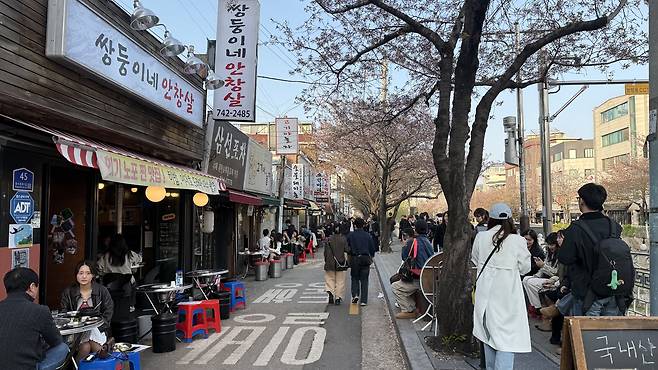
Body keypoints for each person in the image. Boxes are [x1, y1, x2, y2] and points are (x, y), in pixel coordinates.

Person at [472, 203, 531, 370]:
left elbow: (475, 260)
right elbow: (525, 268)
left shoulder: (481, 237)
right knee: (507, 340)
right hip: (508, 296)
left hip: (485, 295)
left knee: (488, 335)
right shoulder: (518, 241)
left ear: (490, 218)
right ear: (510, 220)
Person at [557, 183, 625, 316]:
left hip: (586, 294)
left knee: (586, 335)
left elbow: (565, 258)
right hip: (613, 290)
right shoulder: (614, 226)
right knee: (610, 333)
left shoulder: (575, 229)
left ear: (582, 201)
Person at [0, 267, 69, 370]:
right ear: (32, 287)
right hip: (27, 367)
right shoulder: (40, 310)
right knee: (63, 347)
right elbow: (55, 341)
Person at [61, 261, 113, 362]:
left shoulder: (102, 291)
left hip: (98, 329)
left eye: (88, 273)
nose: (84, 276)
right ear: (76, 275)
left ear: (93, 275)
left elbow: (108, 314)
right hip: (76, 331)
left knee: (87, 346)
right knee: (88, 348)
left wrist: (93, 325)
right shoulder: (68, 292)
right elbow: (64, 315)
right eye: (80, 273)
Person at [392, 219, 434, 319]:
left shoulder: (412, 241)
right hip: (429, 278)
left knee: (395, 286)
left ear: (415, 229)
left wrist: (405, 244)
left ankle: (408, 309)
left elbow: (404, 257)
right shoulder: (428, 242)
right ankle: (412, 308)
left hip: (418, 278)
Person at [522, 232, 560, 323]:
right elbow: (541, 271)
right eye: (549, 244)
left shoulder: (559, 254)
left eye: (552, 244)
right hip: (544, 277)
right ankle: (537, 307)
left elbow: (556, 273)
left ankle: (538, 308)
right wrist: (535, 276)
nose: (550, 247)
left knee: (529, 281)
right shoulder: (549, 253)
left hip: (554, 280)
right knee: (526, 280)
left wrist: (543, 266)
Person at [347, 218, 376, 306]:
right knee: (364, 279)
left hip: (355, 258)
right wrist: (371, 256)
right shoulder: (367, 235)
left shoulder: (351, 235)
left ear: (355, 225)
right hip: (365, 259)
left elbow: (347, 247)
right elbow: (372, 249)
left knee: (355, 277)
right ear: (363, 225)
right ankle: (363, 300)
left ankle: (355, 295)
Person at [325, 222, 350, 305]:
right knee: (340, 281)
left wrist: (326, 261)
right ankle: (338, 298)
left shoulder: (328, 239)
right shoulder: (343, 239)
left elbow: (325, 252)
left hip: (329, 263)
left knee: (330, 279)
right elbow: (347, 250)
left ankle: (331, 293)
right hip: (340, 262)